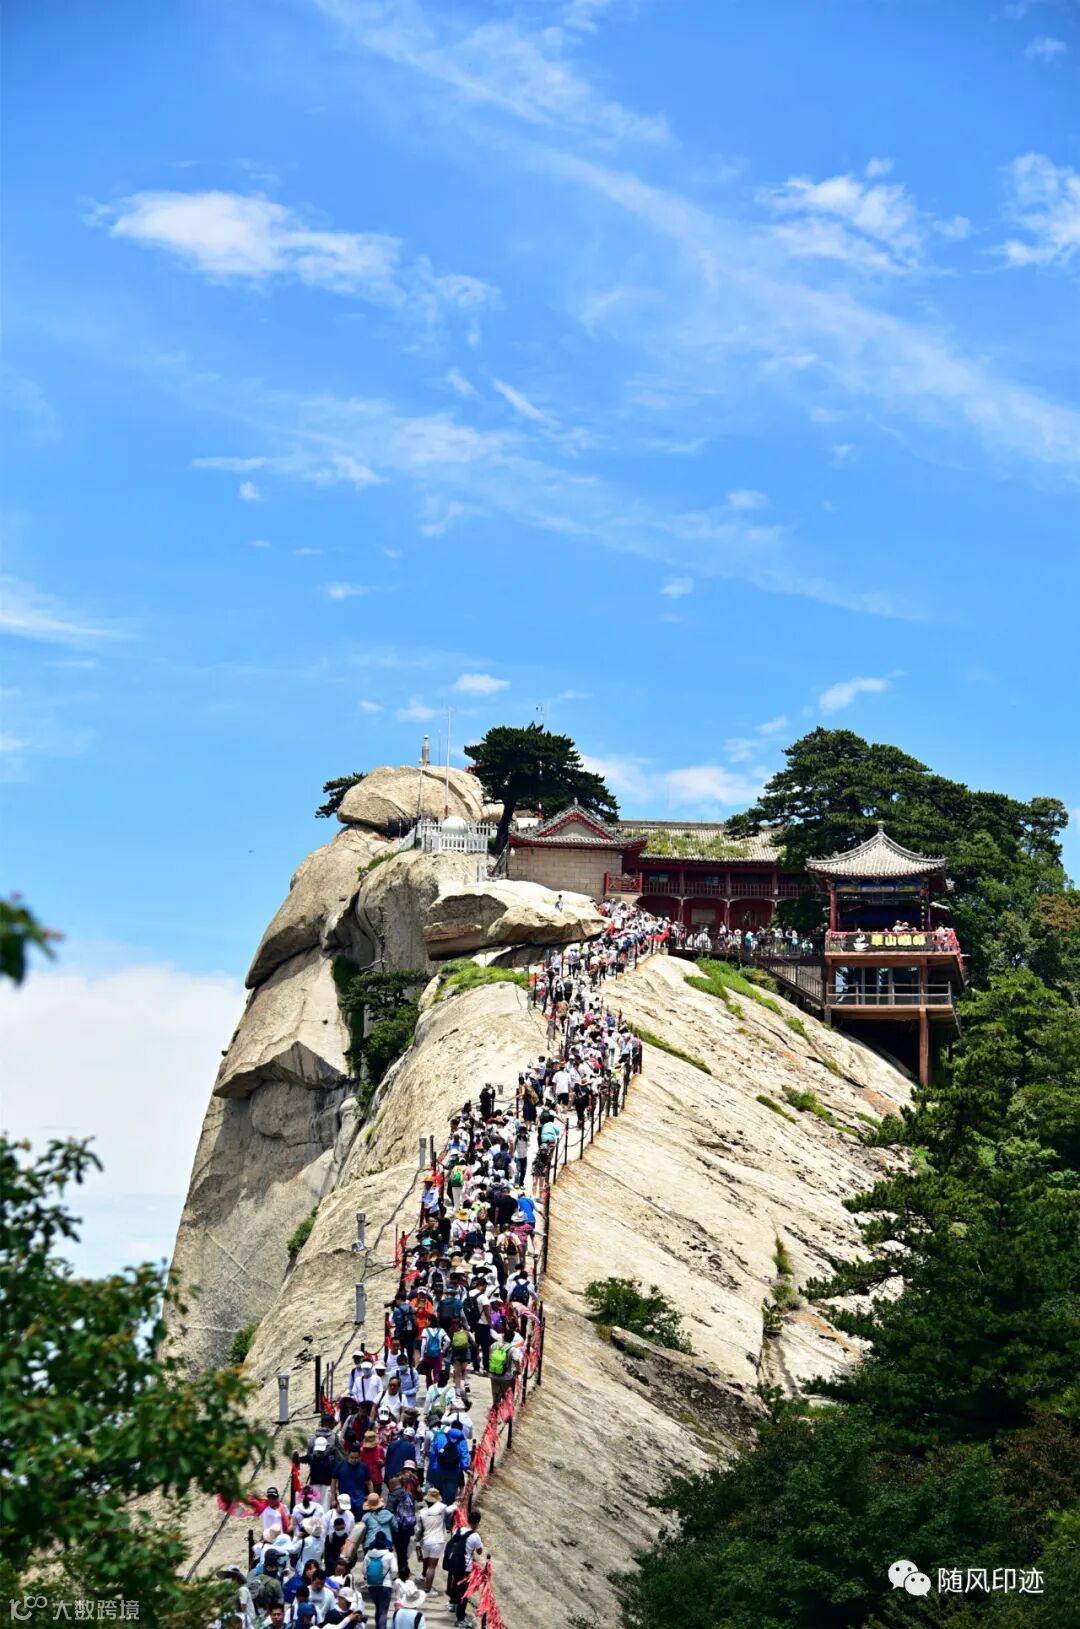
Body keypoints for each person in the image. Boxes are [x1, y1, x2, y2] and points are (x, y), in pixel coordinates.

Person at [442, 1513, 482, 1627]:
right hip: (465, 1567)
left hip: (454, 1564)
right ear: (477, 1523)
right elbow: (479, 1551)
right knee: (463, 1593)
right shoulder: (475, 1536)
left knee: (455, 1584)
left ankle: (452, 1604)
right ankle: (460, 1619)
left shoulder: (457, 1530)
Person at [415, 1489, 450, 1594]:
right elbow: (451, 1509)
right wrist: (457, 1503)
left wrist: (417, 1539)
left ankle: (423, 1576)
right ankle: (428, 1590)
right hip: (437, 1541)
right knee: (432, 1567)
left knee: (426, 1561)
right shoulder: (442, 1508)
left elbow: (419, 1530)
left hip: (426, 1541)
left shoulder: (421, 1513)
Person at [362, 1533, 398, 1629]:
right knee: (383, 1611)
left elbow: (364, 1570)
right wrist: (392, 1578)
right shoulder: (389, 1555)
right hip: (385, 1586)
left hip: (372, 1586)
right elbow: (395, 1570)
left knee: (378, 1608)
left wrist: (367, 1578)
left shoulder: (368, 1555)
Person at [331, 1446, 373, 1511]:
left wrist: (371, 1496)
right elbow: (333, 1482)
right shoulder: (340, 1466)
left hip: (359, 1502)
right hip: (344, 1500)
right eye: (352, 1457)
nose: (354, 1460)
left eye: (356, 1458)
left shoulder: (363, 1467)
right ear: (348, 1455)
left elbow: (369, 1483)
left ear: (359, 1456)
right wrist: (333, 1499)